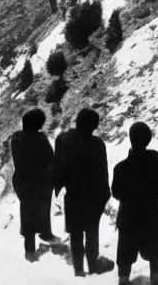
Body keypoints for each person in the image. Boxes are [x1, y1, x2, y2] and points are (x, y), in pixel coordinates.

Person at [53, 108, 114, 277]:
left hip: (73, 195)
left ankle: (79, 270)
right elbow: (103, 173)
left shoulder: (63, 139)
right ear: (93, 126)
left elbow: (58, 168)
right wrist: (105, 195)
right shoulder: (98, 144)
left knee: (76, 233)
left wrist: (57, 187)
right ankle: (94, 265)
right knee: (92, 232)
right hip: (93, 197)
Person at [112, 122, 158, 285]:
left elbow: (115, 193)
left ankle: (123, 279)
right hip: (151, 214)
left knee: (125, 247)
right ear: (149, 139)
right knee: (155, 245)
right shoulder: (154, 158)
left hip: (128, 216)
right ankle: (155, 275)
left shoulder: (120, 168)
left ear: (130, 139)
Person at [11, 108, 58, 262]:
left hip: (22, 181)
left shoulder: (16, 138)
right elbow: (50, 158)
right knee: (43, 208)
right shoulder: (40, 139)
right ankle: (46, 233)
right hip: (40, 181)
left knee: (27, 213)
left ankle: (29, 249)